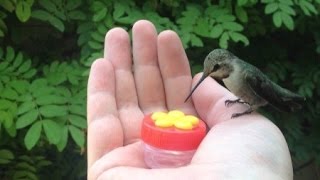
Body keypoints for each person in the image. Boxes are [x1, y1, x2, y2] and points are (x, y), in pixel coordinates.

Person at [87, 20, 293, 180]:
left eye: (213, 70)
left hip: (262, 100)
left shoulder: (245, 74)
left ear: (225, 65)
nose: (208, 75)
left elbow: (264, 94)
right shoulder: (228, 78)